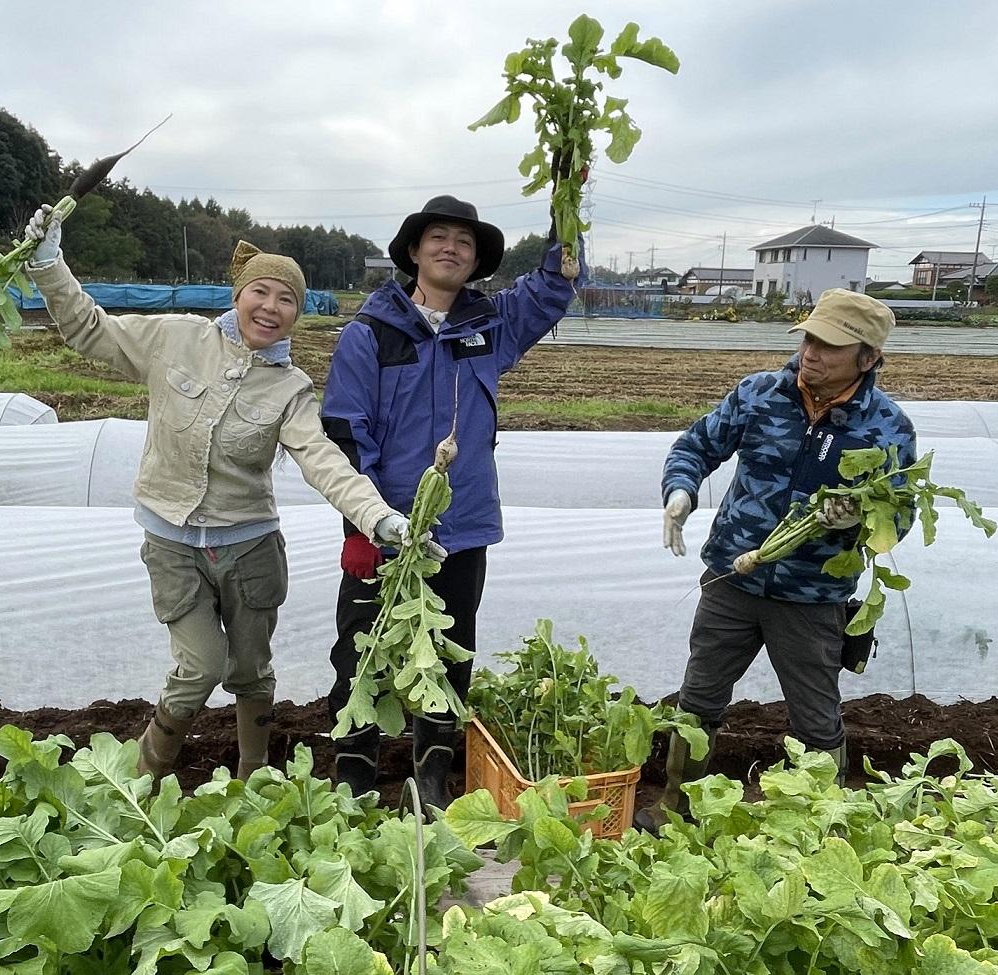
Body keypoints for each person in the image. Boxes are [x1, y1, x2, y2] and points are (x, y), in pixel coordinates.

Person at [22, 205, 424, 783]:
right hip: (172, 541)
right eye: (260, 291)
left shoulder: (290, 387)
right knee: (200, 668)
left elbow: (323, 460)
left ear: (296, 314)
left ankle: (253, 779)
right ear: (238, 296)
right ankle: (141, 780)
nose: (271, 307)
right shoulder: (176, 339)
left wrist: (380, 519)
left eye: (286, 299)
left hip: (249, 546)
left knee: (253, 670)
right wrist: (47, 263)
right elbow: (90, 330)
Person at [320, 195, 578, 806]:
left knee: (450, 652)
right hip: (386, 528)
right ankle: (354, 780)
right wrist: (362, 526)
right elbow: (346, 429)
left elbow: (550, 289)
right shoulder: (370, 333)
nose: (451, 249)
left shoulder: (489, 327)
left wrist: (565, 212)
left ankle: (430, 781)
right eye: (438, 237)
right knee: (363, 650)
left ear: (476, 259)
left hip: (460, 529)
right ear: (414, 251)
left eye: (464, 242)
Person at [640, 288, 917, 831]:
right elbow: (694, 447)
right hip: (731, 579)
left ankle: (819, 823)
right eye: (809, 338)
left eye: (829, 346)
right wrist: (681, 492)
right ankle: (677, 808)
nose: (811, 352)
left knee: (815, 716)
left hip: (812, 597)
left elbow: (899, 513)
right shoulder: (760, 393)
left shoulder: (887, 427)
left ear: (868, 357)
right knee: (698, 702)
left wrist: (858, 519)